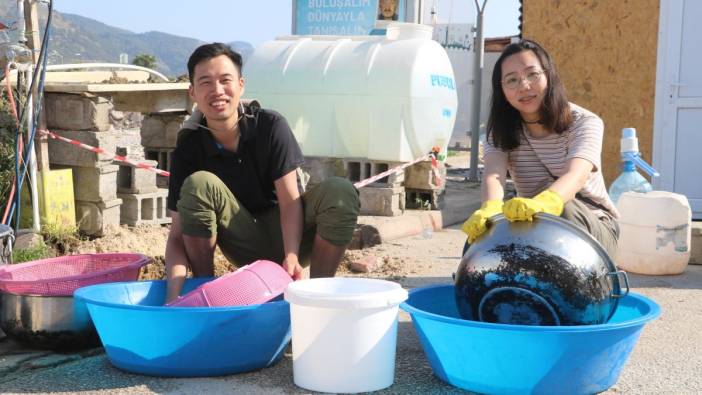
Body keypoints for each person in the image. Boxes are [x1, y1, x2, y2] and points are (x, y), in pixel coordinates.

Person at [165, 43, 360, 303]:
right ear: (193, 92)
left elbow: (290, 202)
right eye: (205, 82)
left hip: (291, 234)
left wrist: (291, 256)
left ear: (241, 85)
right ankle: (206, 295)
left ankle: (317, 297)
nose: (217, 91)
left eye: (225, 80)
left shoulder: (270, 126)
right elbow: (177, 236)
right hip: (243, 242)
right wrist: (173, 296)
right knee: (200, 184)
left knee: (340, 191)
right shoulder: (188, 146)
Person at [462, 39, 619, 257]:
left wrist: (548, 203)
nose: (524, 86)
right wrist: (490, 209)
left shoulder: (585, 122)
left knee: (565, 210)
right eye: (512, 80)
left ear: (549, 75)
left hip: (593, 228)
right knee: (481, 235)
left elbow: (576, 175)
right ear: (502, 91)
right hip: (535, 225)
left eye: (532, 74)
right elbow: (493, 176)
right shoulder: (498, 130)